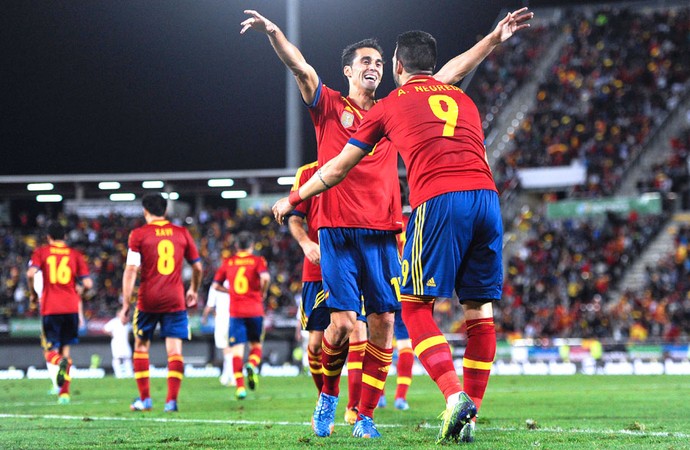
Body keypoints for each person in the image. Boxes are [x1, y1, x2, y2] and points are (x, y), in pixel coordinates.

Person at [245, 6, 531, 438]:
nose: (374, 67)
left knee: (382, 326)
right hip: (339, 231)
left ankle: (364, 417)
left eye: (380, 62)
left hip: (384, 234)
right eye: (365, 61)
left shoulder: (393, 107)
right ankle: (327, 396)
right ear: (347, 70)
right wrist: (273, 32)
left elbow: (446, 72)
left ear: (394, 68)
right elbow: (299, 66)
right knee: (341, 325)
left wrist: (491, 40)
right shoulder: (329, 104)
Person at [287, 161, 368, 425]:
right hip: (316, 269)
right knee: (314, 345)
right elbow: (295, 219)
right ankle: (325, 400)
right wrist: (305, 242)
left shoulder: (361, 163)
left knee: (357, 330)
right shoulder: (308, 173)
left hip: (353, 265)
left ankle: (354, 408)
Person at [118, 193, 202, 413]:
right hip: (175, 299)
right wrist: (193, 289)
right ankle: (171, 401)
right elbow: (198, 267)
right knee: (174, 351)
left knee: (141, 346)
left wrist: (126, 303)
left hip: (148, 299)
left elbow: (131, 270)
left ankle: (145, 400)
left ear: (146, 211)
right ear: (165, 210)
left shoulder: (138, 234)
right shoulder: (181, 233)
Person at [26, 222, 93, 405]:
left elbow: (31, 273)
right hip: (71, 307)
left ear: (48, 237)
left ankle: (60, 364)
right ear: (65, 237)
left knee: (50, 351)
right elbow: (88, 285)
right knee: (66, 350)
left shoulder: (42, 252)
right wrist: (81, 293)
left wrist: (33, 294)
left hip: (51, 307)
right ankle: (64, 394)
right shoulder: (75, 255)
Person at [210, 231, 270, 400]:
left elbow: (215, 285)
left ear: (237, 246)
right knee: (256, 345)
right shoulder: (258, 261)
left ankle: (240, 388)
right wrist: (262, 292)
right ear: (251, 246)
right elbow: (265, 277)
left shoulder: (228, 262)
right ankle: (251, 364)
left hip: (236, 312)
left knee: (237, 350)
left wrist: (230, 291)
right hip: (255, 310)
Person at [201, 279, 235, 386]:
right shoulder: (233, 282)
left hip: (222, 318)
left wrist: (204, 317)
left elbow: (210, 305)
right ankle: (226, 376)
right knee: (232, 348)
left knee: (226, 348)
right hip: (235, 317)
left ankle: (232, 376)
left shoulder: (215, 285)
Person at [104, 311, 134, 378]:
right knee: (117, 358)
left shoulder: (127, 322)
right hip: (116, 342)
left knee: (128, 358)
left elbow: (129, 331)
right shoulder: (114, 322)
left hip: (125, 343)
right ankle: (118, 374)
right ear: (118, 314)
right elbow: (105, 329)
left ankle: (129, 373)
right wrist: (112, 335)